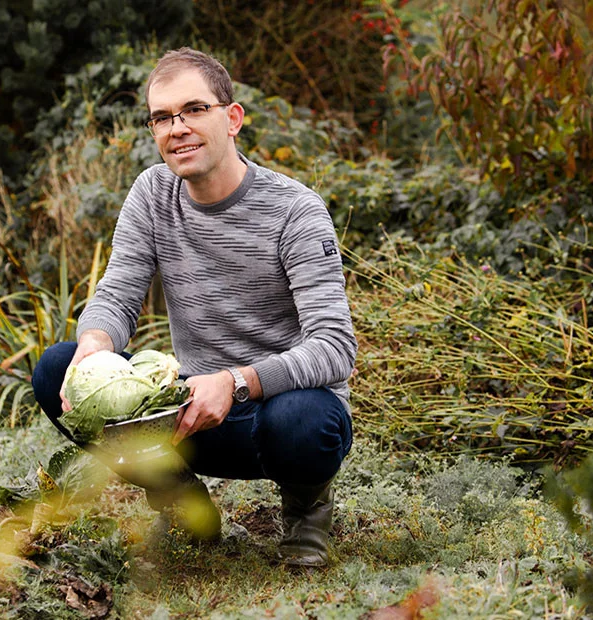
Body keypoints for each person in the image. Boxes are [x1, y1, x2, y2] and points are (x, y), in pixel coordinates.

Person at [31, 47, 356, 567]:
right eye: (162, 117)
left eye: (193, 110)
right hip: (187, 417)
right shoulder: (153, 193)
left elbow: (336, 347)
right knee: (57, 370)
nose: (176, 128)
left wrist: (235, 380)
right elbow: (116, 297)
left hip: (279, 417)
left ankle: (306, 508)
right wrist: (93, 349)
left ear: (232, 119)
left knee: (303, 418)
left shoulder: (295, 209)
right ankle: (182, 504)